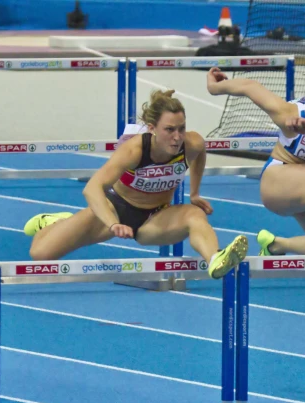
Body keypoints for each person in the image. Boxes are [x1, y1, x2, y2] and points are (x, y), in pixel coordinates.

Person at [23, 90, 248, 278]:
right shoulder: (134, 150)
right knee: (41, 255)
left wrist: (195, 193)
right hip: (115, 210)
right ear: (152, 128)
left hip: (156, 217)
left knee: (194, 215)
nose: (177, 136)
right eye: (169, 129)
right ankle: (58, 221)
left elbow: (199, 155)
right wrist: (112, 224)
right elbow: (92, 188)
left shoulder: (192, 143)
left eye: (181, 128)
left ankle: (215, 257)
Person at [206, 64, 305, 256]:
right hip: (278, 183)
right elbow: (250, 87)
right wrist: (214, 87)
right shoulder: (291, 113)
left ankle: (276, 245)